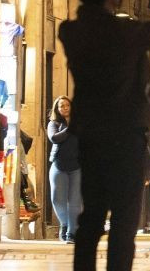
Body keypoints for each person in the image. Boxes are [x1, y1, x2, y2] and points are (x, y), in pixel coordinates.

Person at [59, 0, 150, 270]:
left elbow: (90, 21)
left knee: (91, 219)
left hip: (90, 137)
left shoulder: (70, 32)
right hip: (126, 137)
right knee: (124, 224)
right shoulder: (125, 33)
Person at [47, 96, 82, 243]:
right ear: (57, 109)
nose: (65, 108)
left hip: (77, 167)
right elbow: (54, 138)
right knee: (57, 199)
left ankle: (71, 233)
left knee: (74, 201)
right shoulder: (53, 124)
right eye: (61, 106)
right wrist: (70, 129)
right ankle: (65, 223)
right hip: (59, 165)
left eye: (67, 105)